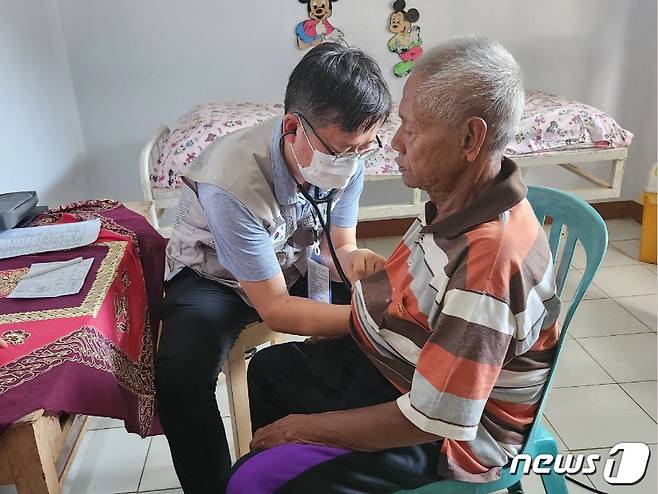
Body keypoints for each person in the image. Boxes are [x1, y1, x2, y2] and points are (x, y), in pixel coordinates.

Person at [225, 35, 562, 493]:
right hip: (398, 367)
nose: (396, 144)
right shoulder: (459, 200)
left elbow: (432, 418)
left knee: (254, 477)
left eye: (412, 128)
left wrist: (305, 427)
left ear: (470, 138)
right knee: (266, 376)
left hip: (443, 438)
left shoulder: (488, 265)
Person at [155, 42, 392, 493]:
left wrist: (356, 265)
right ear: (292, 129)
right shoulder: (233, 180)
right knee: (180, 376)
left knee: (377, 311)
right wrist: (367, 321)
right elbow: (277, 308)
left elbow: (334, 245)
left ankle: (318, 455)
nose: (352, 163)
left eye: (363, 149)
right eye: (343, 151)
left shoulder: (347, 156)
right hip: (215, 275)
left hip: (292, 258)